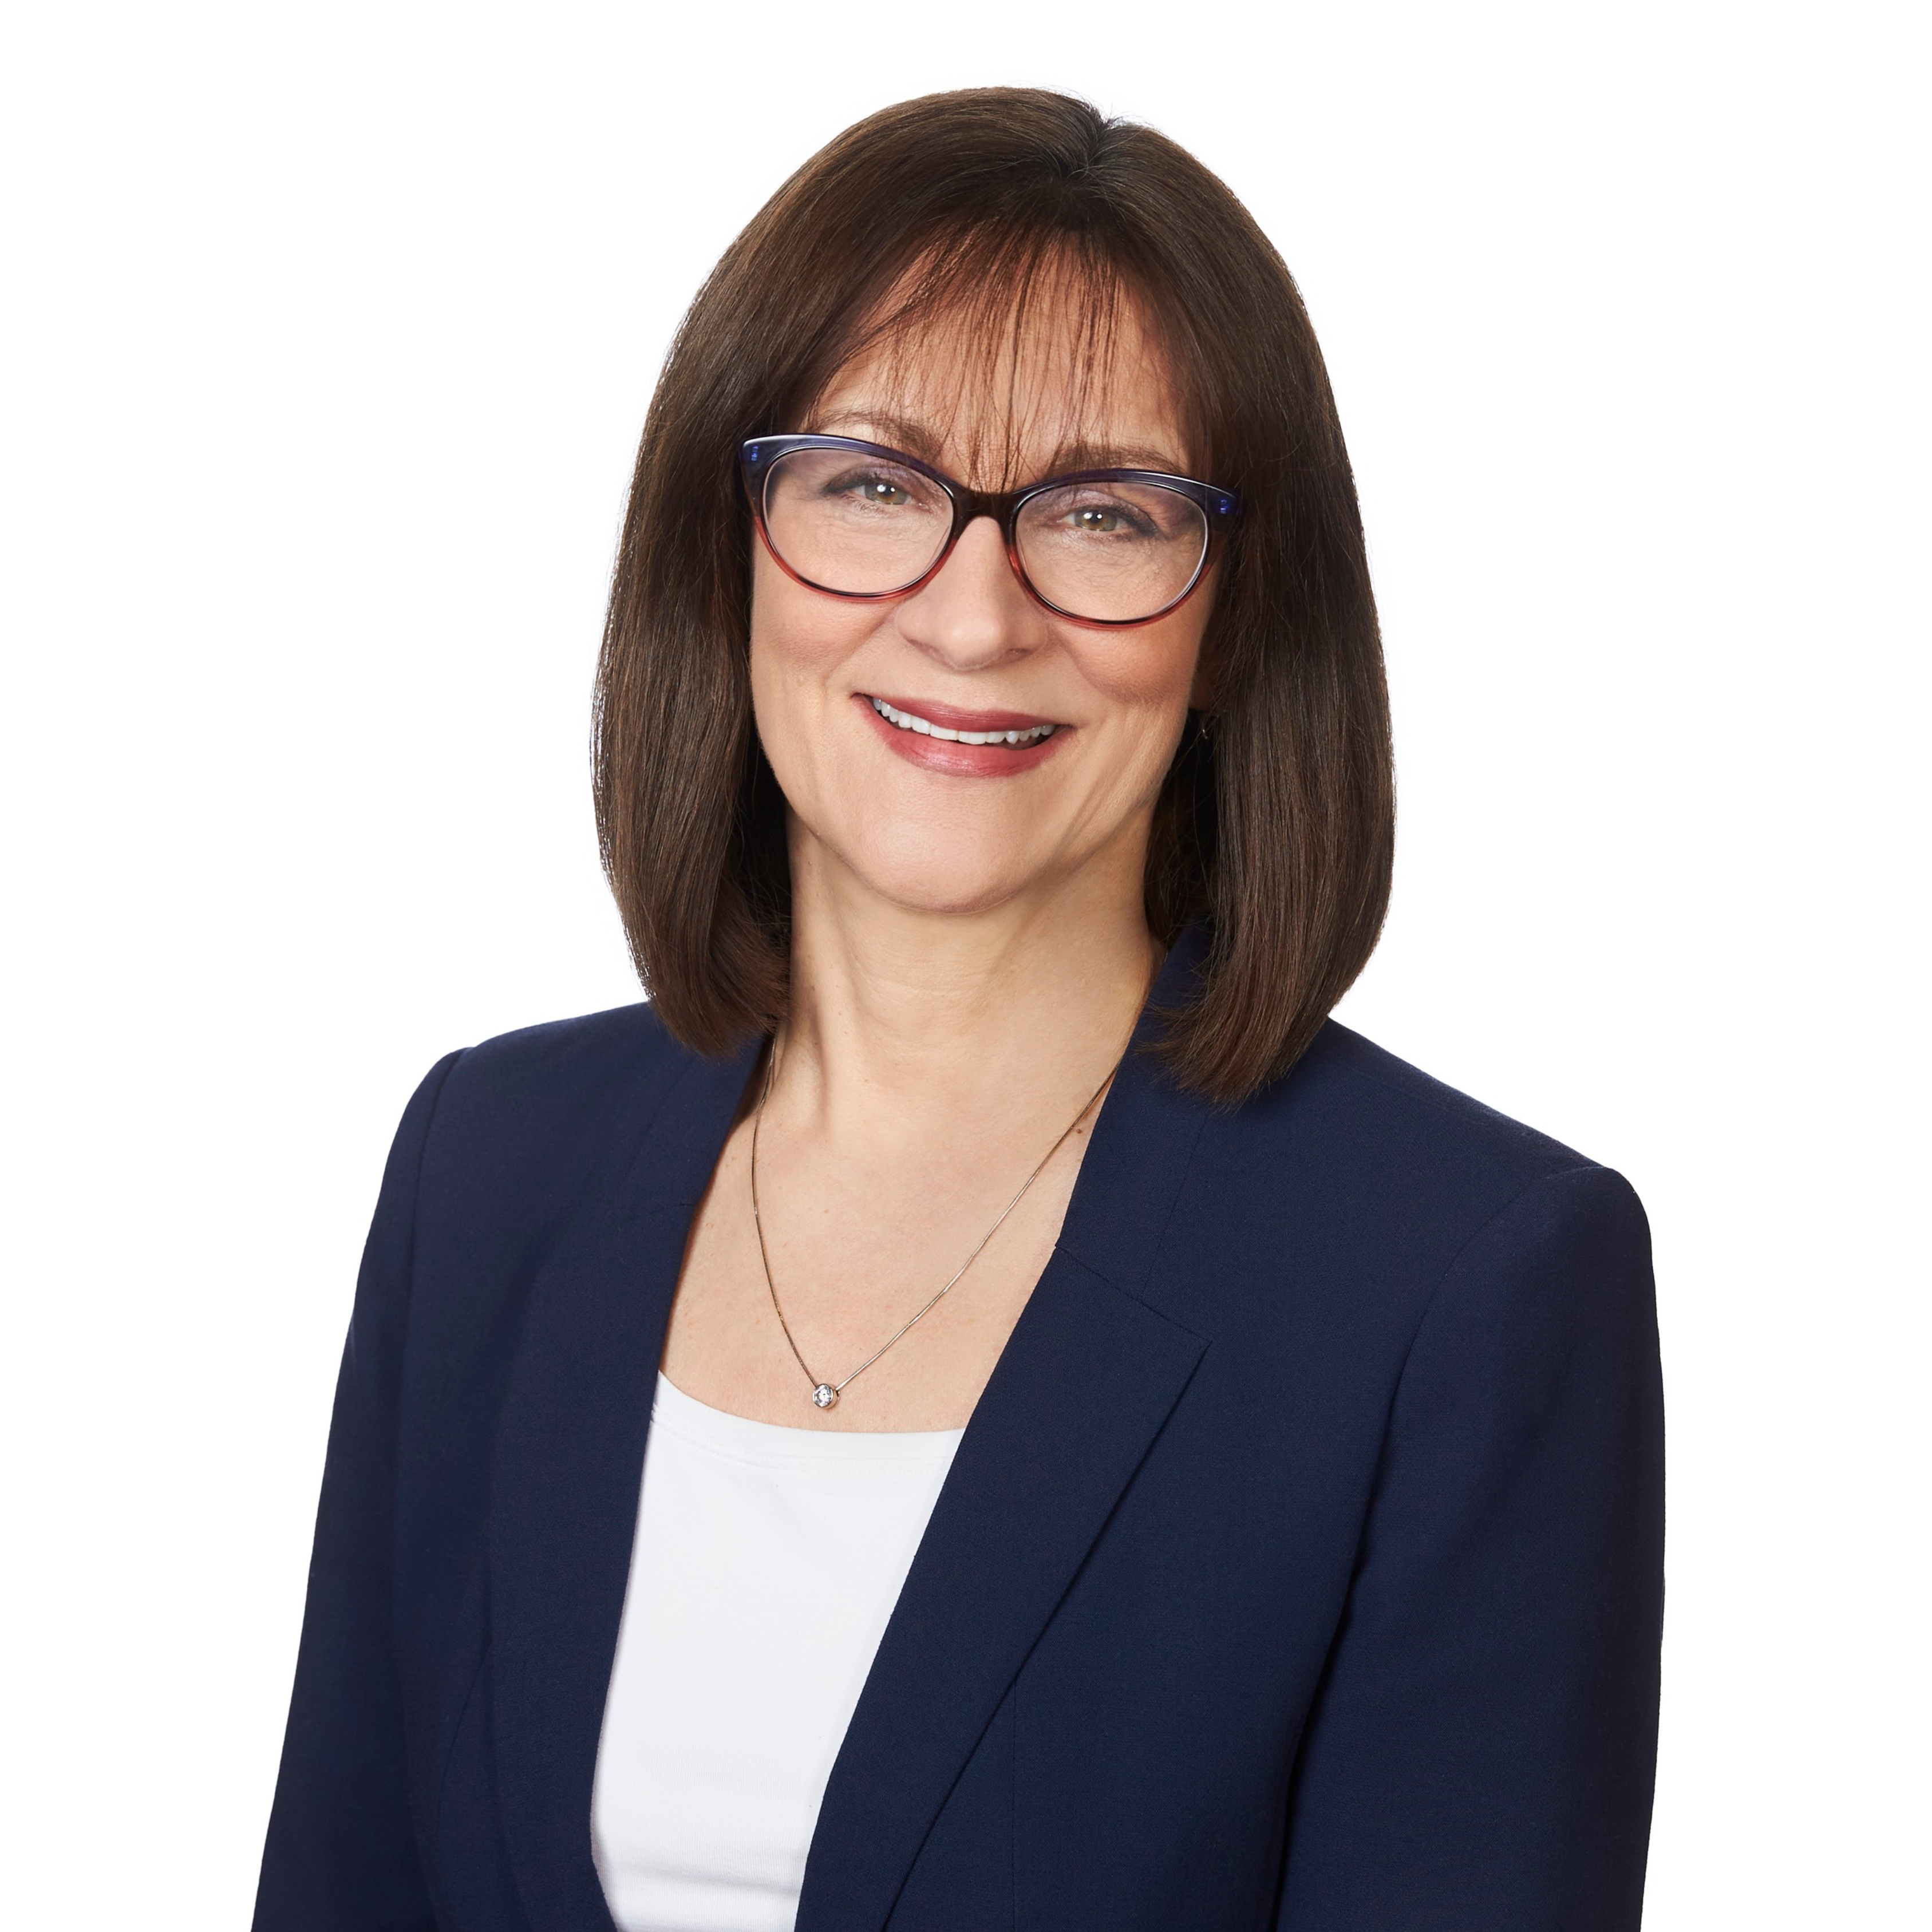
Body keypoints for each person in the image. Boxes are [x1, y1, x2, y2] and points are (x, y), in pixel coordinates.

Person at [252, 88, 1664, 1932]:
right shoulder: (489, 1167)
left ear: (1236, 614)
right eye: (872, 483)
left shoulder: (1459, 1283)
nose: (973, 613)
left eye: (1102, 509)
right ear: (728, 539)